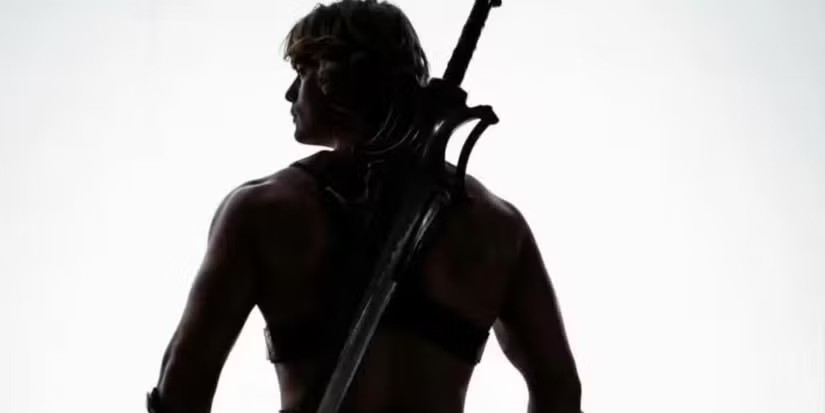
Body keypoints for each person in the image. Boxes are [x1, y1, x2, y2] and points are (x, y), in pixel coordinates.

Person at [148, 1, 582, 412]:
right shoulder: (496, 224)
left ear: (335, 77)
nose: (290, 93)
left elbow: (184, 381)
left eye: (303, 71)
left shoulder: (262, 210)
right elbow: (559, 388)